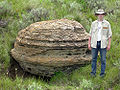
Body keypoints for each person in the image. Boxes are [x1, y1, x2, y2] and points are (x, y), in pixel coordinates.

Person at [88, 9, 112, 77]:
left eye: (102, 14)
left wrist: (109, 44)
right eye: (99, 14)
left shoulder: (107, 24)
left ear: (103, 15)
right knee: (93, 59)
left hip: (103, 44)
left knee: (103, 60)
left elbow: (109, 35)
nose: (100, 16)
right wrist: (89, 43)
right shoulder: (93, 23)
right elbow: (90, 34)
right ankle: (93, 73)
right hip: (94, 43)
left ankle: (102, 74)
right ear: (97, 15)